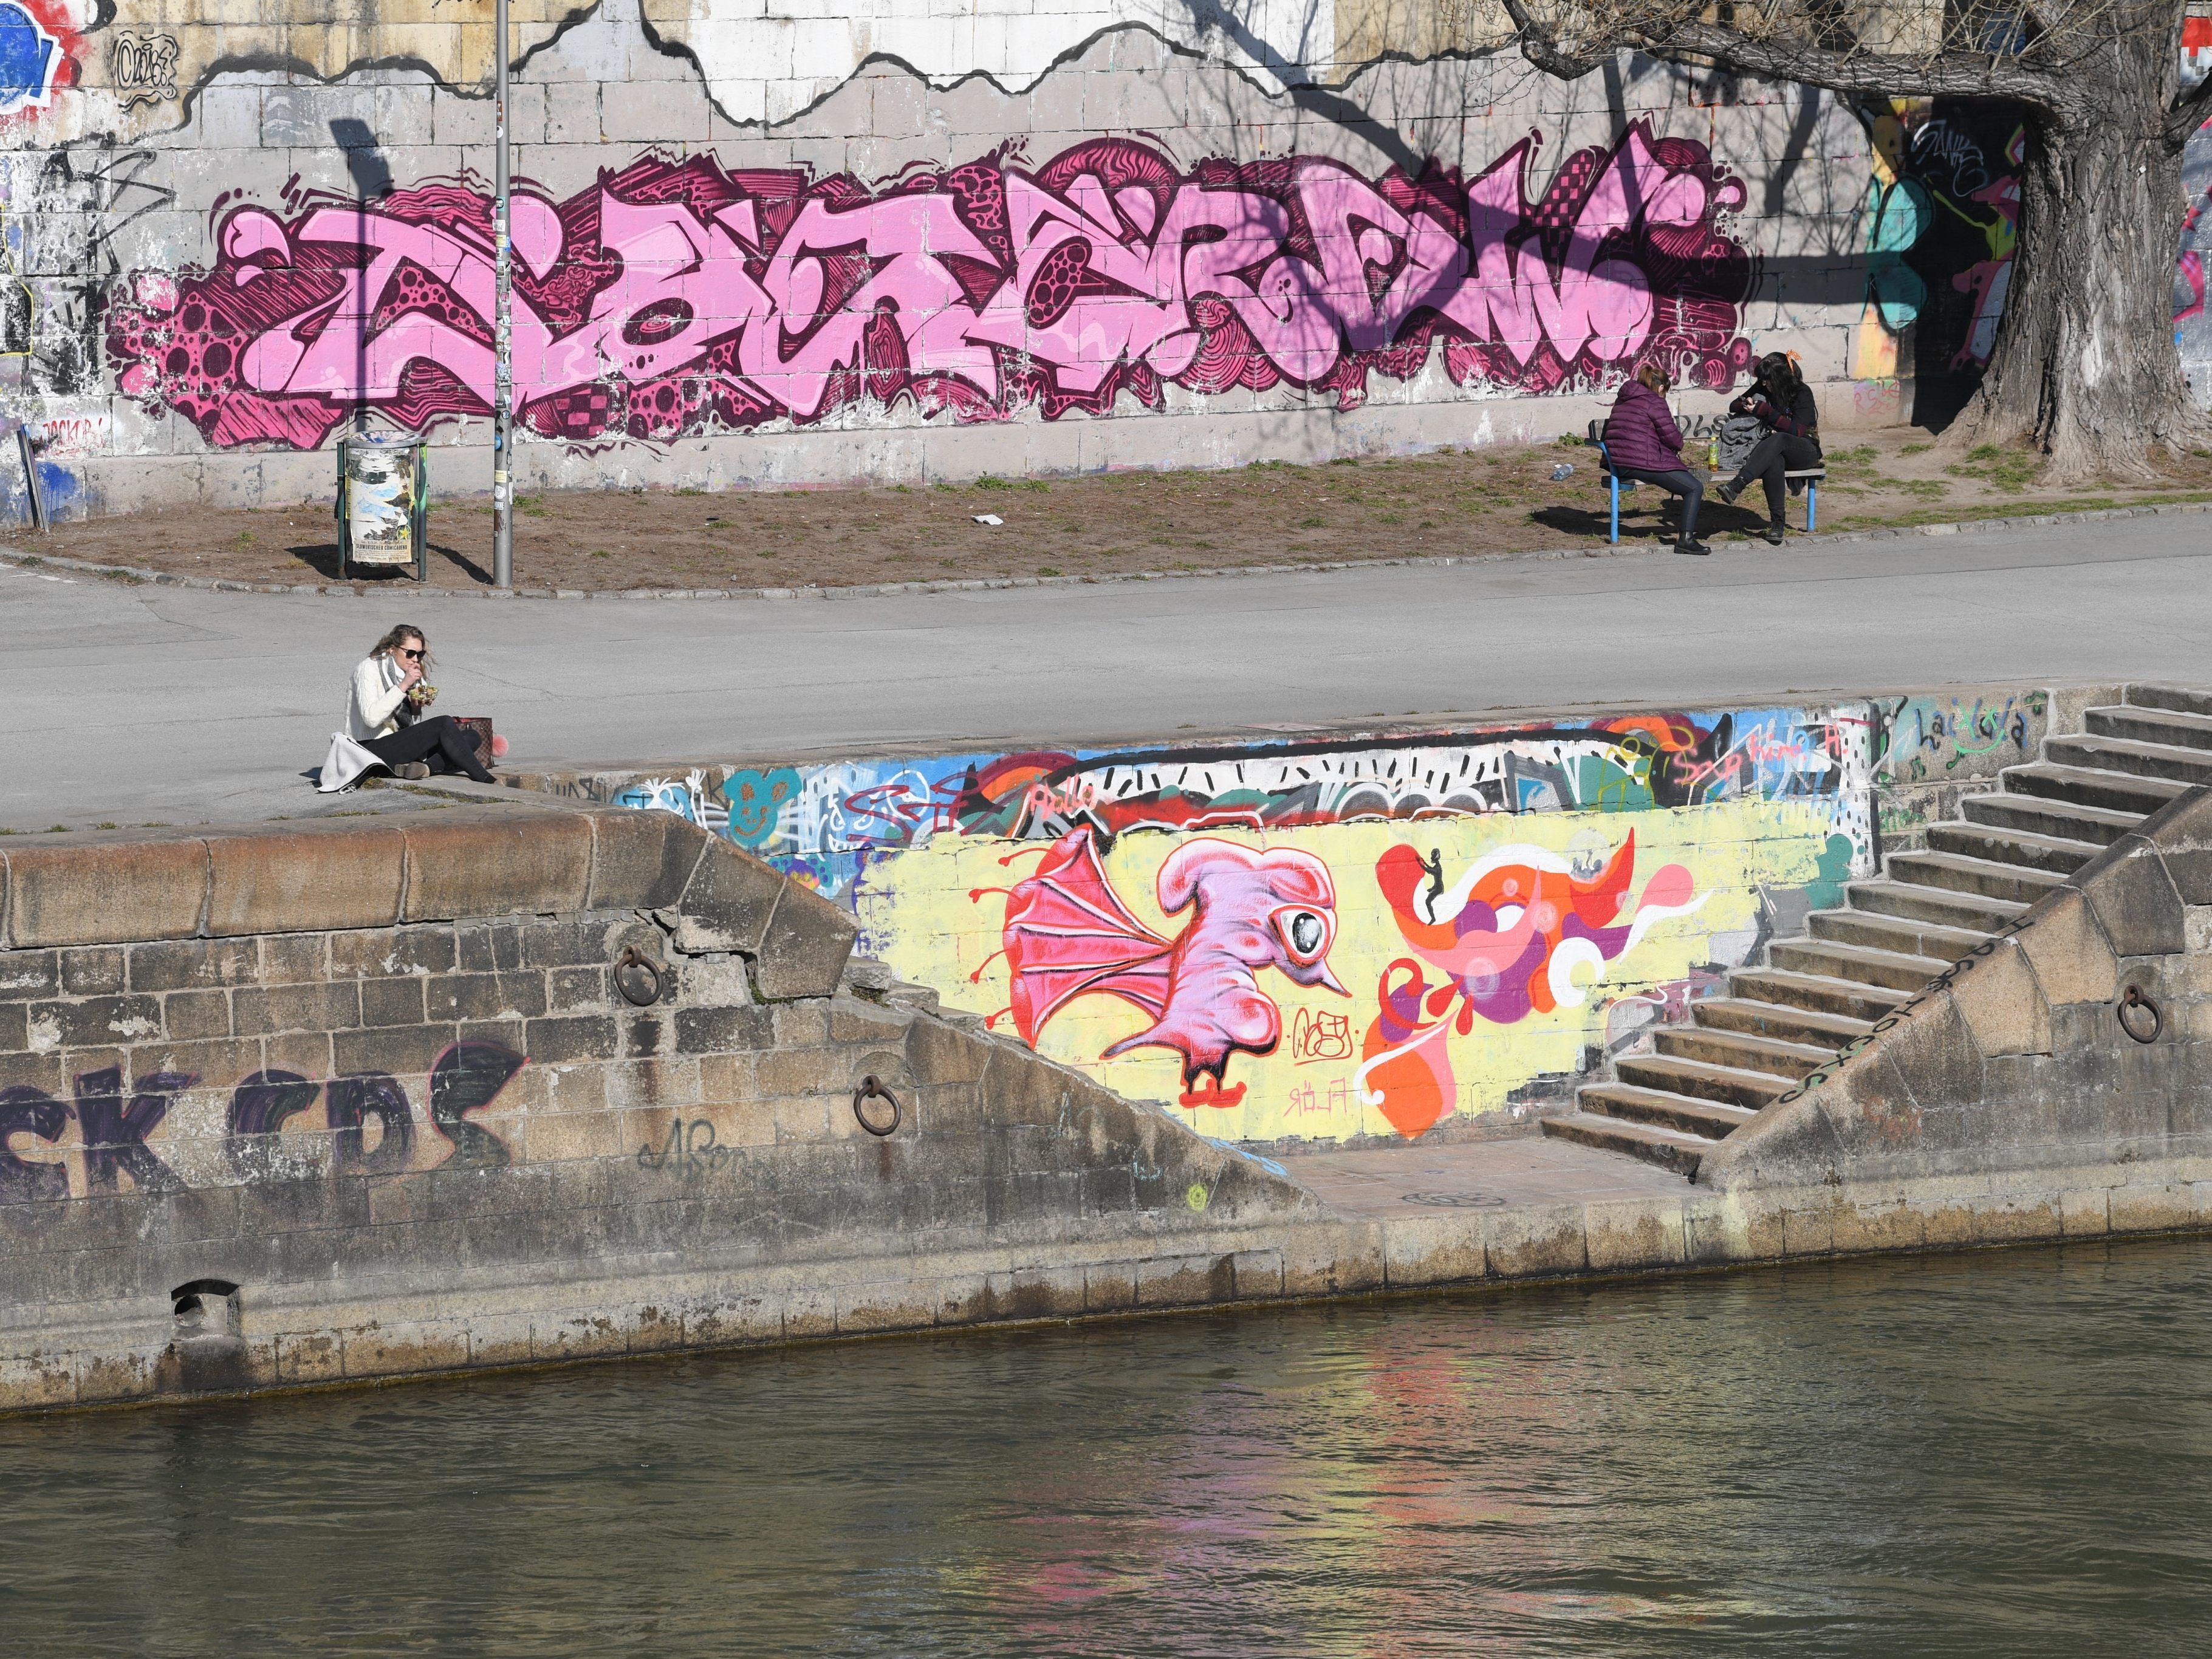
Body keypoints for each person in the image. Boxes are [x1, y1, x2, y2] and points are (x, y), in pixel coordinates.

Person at [343, 624, 496, 783]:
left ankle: (425, 768)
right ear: (392, 649)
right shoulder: (368, 669)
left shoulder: (409, 671)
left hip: (399, 744)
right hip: (369, 749)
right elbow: (371, 718)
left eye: (420, 654)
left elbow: (411, 728)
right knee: (444, 723)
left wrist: (416, 708)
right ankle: (485, 778)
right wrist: (403, 686)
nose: (415, 659)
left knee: (472, 736)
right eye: (410, 653)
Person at [1600, 363, 1710, 555]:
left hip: (1620, 463)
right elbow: (1673, 439)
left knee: (1688, 481)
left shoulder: (1624, 398)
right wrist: (1677, 445)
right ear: (1661, 388)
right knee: (1694, 487)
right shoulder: (1655, 402)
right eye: (1665, 391)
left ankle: (1687, 539)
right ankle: (1686, 540)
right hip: (1642, 462)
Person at [1716, 352, 1821, 545]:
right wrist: (1746, 405)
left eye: (1768, 380)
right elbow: (1733, 405)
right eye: (1762, 381)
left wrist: (1767, 412)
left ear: (1781, 378)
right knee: (1774, 461)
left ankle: (1738, 484)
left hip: (1805, 450)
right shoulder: (1765, 386)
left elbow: (1797, 431)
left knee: (1780, 438)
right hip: (1776, 450)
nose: (1764, 385)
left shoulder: (1802, 393)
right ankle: (1778, 524)